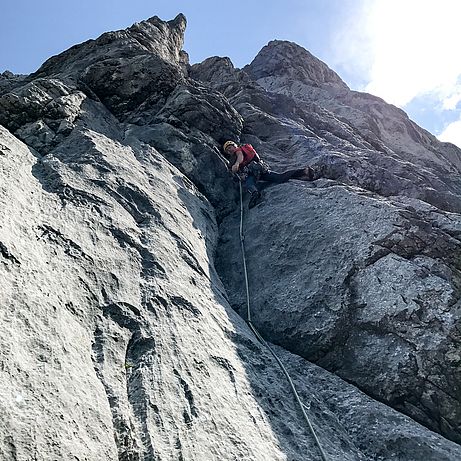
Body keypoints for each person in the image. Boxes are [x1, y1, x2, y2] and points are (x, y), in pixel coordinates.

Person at [222, 140, 313, 208]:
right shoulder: (235, 157)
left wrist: (237, 164)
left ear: (234, 146)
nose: (229, 150)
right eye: (227, 150)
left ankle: (255, 194)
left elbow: (240, 157)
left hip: (252, 172)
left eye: (230, 147)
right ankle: (304, 172)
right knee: (279, 177)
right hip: (259, 170)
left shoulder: (239, 150)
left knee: (249, 183)